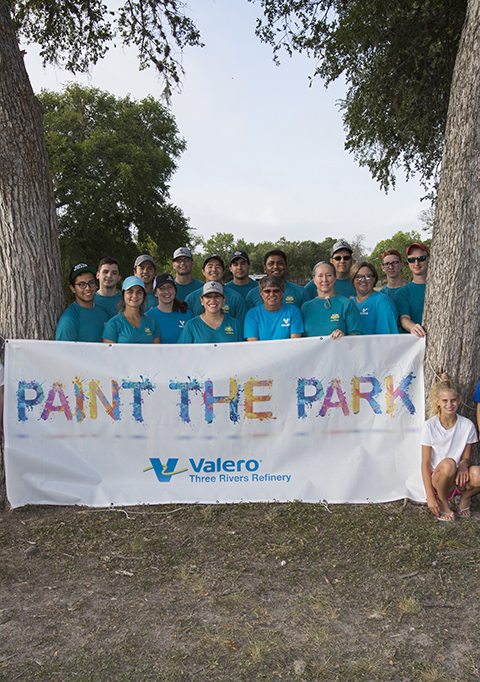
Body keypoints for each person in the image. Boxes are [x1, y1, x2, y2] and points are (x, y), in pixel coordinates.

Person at [421, 377, 480, 521]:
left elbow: (466, 458)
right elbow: (425, 463)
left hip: (458, 479)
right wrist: (430, 496)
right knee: (448, 464)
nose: (450, 405)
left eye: (453, 400)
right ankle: (442, 501)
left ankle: (465, 497)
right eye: (445, 401)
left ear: (460, 400)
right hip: (440, 478)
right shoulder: (429, 426)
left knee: (478, 473)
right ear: (438, 402)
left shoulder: (467, 425)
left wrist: (463, 465)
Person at [301, 262, 363, 338]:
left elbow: (357, 335)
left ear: (335, 278)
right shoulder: (305, 307)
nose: (324, 280)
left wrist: (344, 337)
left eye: (328, 275)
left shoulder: (347, 304)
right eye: (320, 276)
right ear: (314, 279)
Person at [184, 255, 246, 324]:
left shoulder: (236, 298)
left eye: (218, 266)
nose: (214, 270)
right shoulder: (191, 298)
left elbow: (240, 328)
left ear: (223, 271)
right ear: (203, 271)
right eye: (210, 266)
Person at [56, 263, 109, 343]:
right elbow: (61, 352)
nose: (87, 288)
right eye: (82, 284)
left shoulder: (103, 313)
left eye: (91, 283)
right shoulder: (69, 319)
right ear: (73, 288)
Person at [178, 282, 243, 343]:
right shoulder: (191, 325)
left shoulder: (234, 324)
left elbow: (241, 351)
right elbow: (182, 351)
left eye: (217, 296)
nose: (212, 300)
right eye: (208, 296)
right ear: (201, 300)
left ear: (224, 300)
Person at [244, 275, 304, 341]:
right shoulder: (252, 315)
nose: (272, 294)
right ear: (261, 294)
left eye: (276, 291)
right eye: (267, 291)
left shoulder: (293, 311)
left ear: (282, 293)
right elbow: (253, 345)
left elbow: (295, 343)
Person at [103, 276, 160, 344]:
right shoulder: (113, 324)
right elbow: (109, 353)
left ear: (144, 296)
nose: (135, 295)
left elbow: (156, 351)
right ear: (123, 295)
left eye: (139, 292)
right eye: (130, 292)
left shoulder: (152, 322)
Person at [351, 261, 398, 334]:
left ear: (374, 279)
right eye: (358, 277)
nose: (363, 280)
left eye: (368, 276)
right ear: (352, 280)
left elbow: (387, 338)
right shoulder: (350, 303)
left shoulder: (382, 301)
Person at [146, 273, 193, 343]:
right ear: (155, 293)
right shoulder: (148, 317)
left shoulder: (187, 314)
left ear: (175, 290)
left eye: (170, 287)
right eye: (161, 288)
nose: (166, 291)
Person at [395, 242, 429, 337]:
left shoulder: (441, 288)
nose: (416, 263)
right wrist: (413, 327)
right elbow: (404, 318)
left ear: (428, 259)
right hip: (418, 342)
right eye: (412, 260)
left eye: (421, 258)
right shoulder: (402, 293)